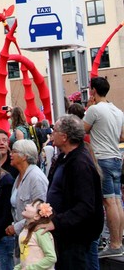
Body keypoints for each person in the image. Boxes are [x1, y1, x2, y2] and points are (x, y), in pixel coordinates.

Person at [44, 114, 103, 269]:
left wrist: (56, 222)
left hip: (76, 237)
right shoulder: (65, 157)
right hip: (65, 236)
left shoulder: (80, 163)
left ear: (64, 137)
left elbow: (85, 206)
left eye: (54, 130)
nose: (51, 134)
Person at [83, 76, 124, 258]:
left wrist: (89, 107)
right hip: (116, 158)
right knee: (116, 201)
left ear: (93, 91)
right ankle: (119, 241)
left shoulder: (95, 110)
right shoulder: (117, 110)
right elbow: (121, 136)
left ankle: (114, 244)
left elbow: (81, 130)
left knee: (109, 202)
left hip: (102, 159)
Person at [5, 140, 48, 259]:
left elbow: (41, 211)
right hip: (22, 237)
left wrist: (16, 227)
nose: (10, 154)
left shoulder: (36, 178)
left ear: (24, 156)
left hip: (34, 239)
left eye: (14, 151)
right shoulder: (20, 176)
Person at [14, 200, 56, 270]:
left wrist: (30, 268)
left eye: (32, 205)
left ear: (36, 216)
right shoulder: (24, 231)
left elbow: (51, 258)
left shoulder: (40, 232)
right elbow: (27, 259)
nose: (27, 205)